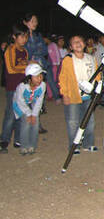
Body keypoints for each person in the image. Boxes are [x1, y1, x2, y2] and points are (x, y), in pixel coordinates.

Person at [58, 35, 100, 154]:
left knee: (89, 121)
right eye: (74, 42)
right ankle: (74, 145)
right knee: (73, 122)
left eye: (80, 41)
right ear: (71, 47)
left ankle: (88, 143)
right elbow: (63, 78)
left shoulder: (91, 58)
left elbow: (97, 74)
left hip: (88, 96)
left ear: (85, 43)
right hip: (72, 96)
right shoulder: (68, 59)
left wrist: (96, 88)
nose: (78, 43)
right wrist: (64, 94)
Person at [0, 24, 29, 153]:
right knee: (11, 114)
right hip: (12, 87)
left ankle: (18, 139)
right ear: (14, 36)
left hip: (22, 87)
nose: (24, 38)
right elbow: (11, 69)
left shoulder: (25, 51)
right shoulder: (10, 50)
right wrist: (27, 66)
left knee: (21, 112)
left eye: (26, 36)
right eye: (22, 36)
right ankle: (4, 141)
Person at [23, 13, 61, 105]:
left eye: (36, 21)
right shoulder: (23, 37)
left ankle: (57, 97)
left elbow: (44, 50)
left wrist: (35, 53)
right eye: (32, 21)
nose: (35, 23)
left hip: (43, 62)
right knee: (34, 84)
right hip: (31, 65)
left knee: (50, 80)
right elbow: (24, 52)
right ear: (25, 22)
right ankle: (35, 102)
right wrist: (30, 59)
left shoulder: (38, 35)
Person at [13, 63, 46, 155]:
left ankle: (32, 146)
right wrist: (28, 113)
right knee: (26, 122)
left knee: (35, 122)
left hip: (32, 101)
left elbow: (39, 100)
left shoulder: (42, 85)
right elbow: (20, 101)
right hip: (20, 103)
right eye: (36, 77)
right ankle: (24, 146)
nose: (39, 79)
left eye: (41, 76)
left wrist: (34, 114)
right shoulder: (22, 87)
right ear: (29, 78)